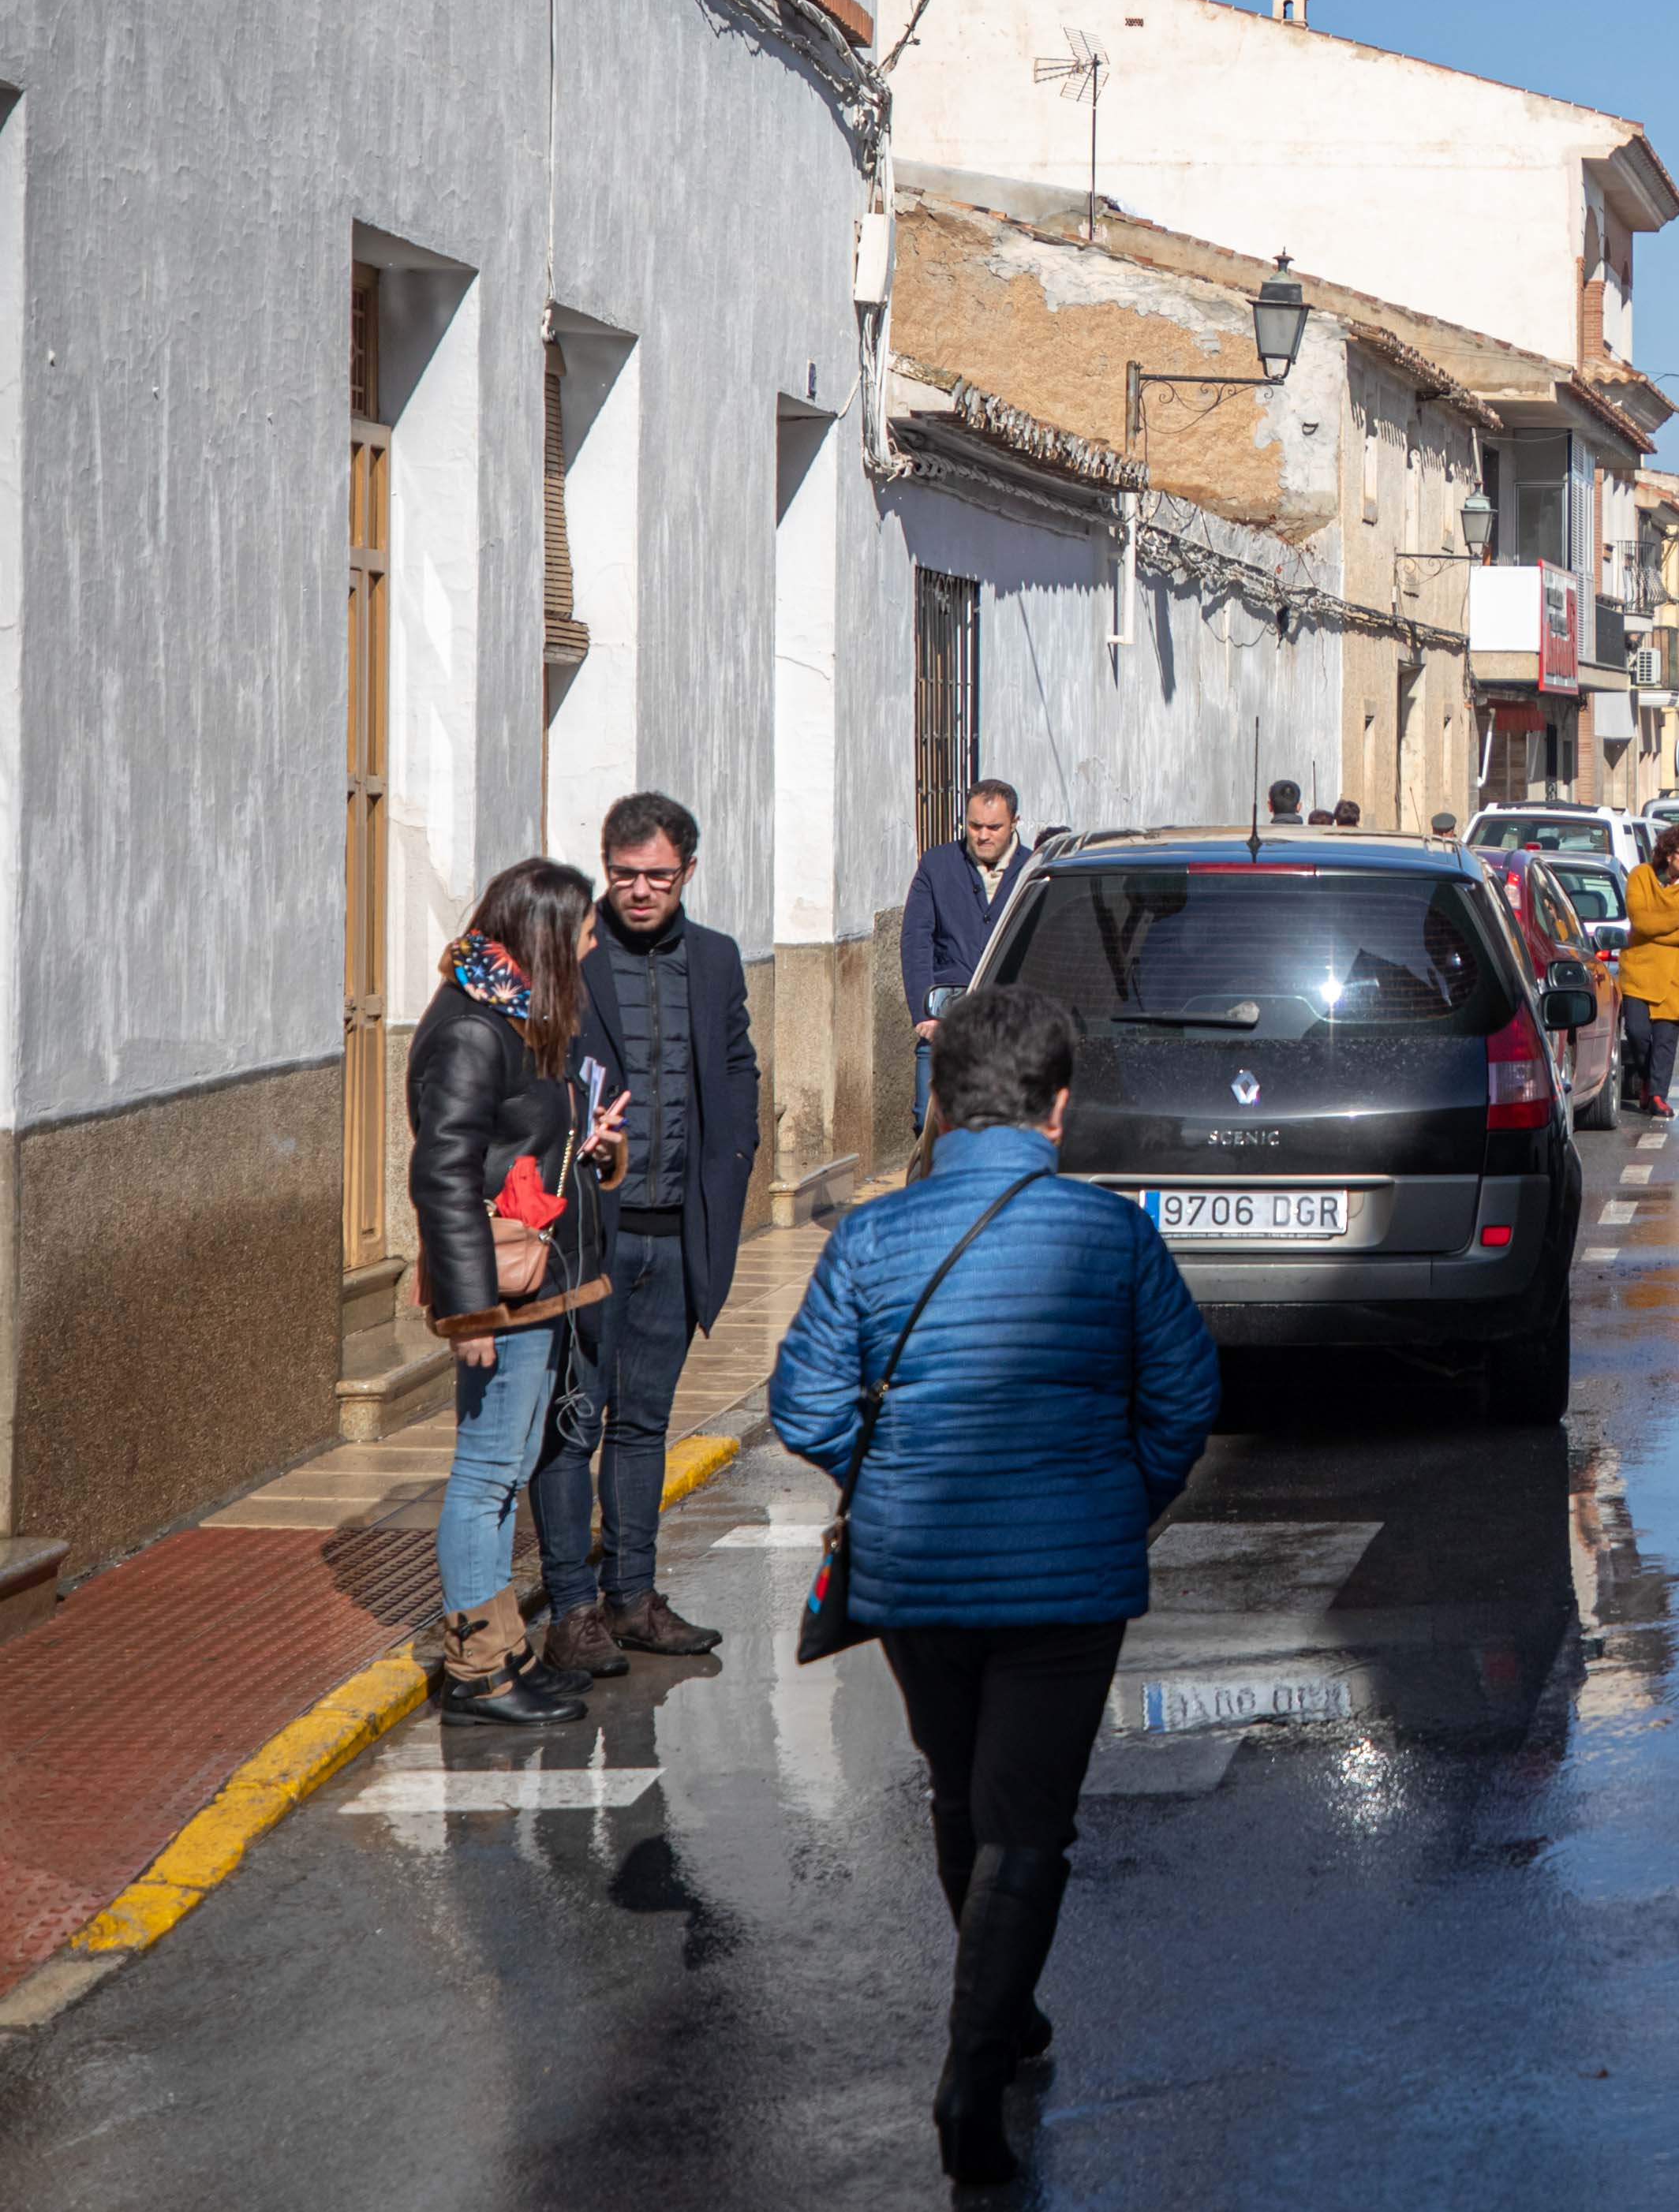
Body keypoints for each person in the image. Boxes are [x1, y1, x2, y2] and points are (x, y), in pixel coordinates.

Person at [768, 986, 1219, 2188]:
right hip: (1068, 1577)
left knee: (962, 1791)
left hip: (915, 1573)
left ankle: (1003, 2014)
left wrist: (891, 1476)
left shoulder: (869, 1236)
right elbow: (1184, 1397)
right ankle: (974, 2069)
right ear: (1057, 1108)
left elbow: (802, 1402)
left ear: (942, 1101)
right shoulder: (1112, 1235)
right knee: (1026, 1817)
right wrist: (1122, 1495)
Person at [533, 793, 762, 1678]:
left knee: (645, 1424)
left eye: (657, 876)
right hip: (590, 1238)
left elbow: (736, 1063)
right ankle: (571, 1610)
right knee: (574, 1421)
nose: (639, 891)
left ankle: (633, 1596)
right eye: (624, 875)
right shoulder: (574, 957)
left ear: (687, 875)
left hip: (678, 1234)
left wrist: (734, 1153)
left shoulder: (715, 960)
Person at [412, 857, 627, 1725]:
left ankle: (503, 1654)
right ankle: (476, 1672)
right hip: (502, 1291)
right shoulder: (471, 1029)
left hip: (539, 1282)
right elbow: (447, 1175)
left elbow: (512, 1150)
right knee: (487, 1475)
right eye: (581, 933)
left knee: (506, 1473)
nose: (591, 947)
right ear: (544, 936)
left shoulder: (517, 1014)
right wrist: (469, 1313)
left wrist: (589, 1147)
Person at [904, 780, 1024, 1130]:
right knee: (929, 1124)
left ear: (1015, 822)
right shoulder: (937, 866)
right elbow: (916, 940)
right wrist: (925, 1013)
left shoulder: (1034, 869)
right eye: (975, 826)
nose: (983, 835)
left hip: (1010, 1027)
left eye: (994, 827)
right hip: (946, 1021)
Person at [1617, 824, 1679, 1116]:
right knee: (1637, 1032)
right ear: (1668, 854)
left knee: (1666, 1040)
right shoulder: (1640, 876)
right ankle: (1645, 1078)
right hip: (1639, 971)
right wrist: (1674, 918)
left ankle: (1657, 1095)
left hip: (1675, 975)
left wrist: (1659, 925)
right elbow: (1640, 921)